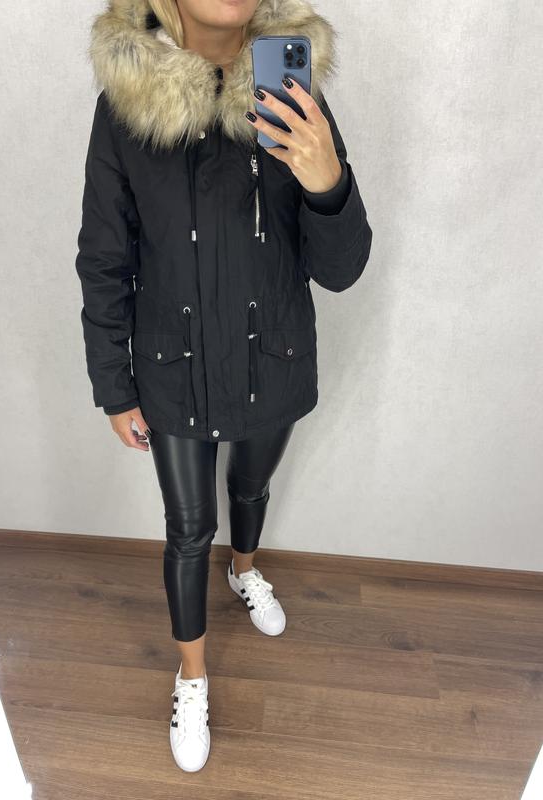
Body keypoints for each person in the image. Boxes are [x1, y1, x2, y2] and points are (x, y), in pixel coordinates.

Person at [75, 0, 372, 773]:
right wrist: (114, 385)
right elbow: (104, 256)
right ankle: (192, 675)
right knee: (187, 527)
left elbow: (340, 270)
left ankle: (243, 571)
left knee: (250, 484)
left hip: (273, 352)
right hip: (171, 364)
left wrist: (329, 184)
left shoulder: (290, 92)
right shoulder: (125, 108)